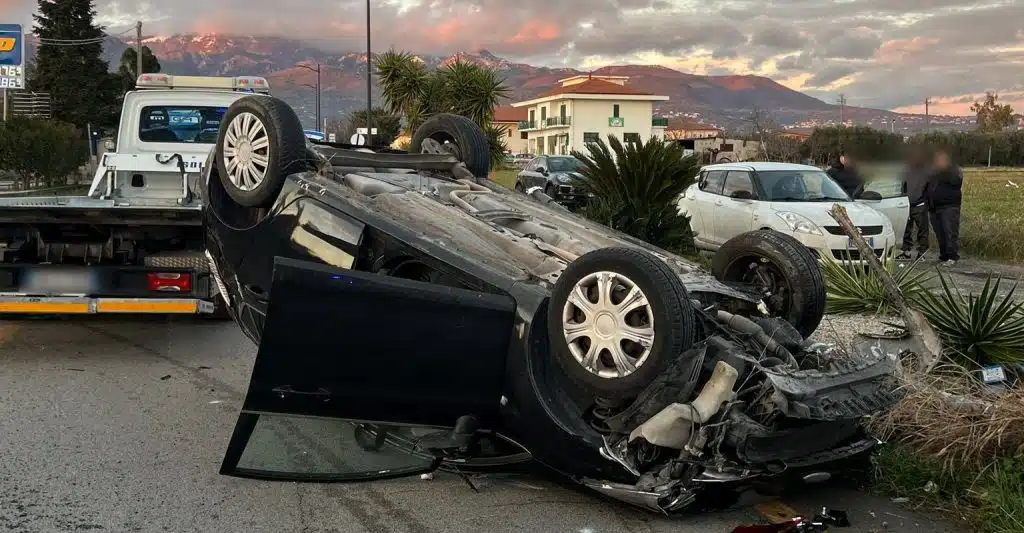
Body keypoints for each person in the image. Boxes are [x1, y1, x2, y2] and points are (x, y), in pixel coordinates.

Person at [924, 149, 963, 266]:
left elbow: (957, 182)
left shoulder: (954, 170)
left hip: (949, 206)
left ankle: (952, 257)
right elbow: (927, 186)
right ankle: (944, 256)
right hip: (934, 207)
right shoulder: (933, 172)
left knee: (950, 231)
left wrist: (944, 170)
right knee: (940, 233)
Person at [897, 148, 932, 260]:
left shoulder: (926, 172)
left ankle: (922, 253)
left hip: (920, 205)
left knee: (922, 230)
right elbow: (902, 187)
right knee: (906, 229)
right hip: (906, 205)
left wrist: (926, 202)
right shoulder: (906, 171)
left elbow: (930, 189)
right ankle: (906, 252)